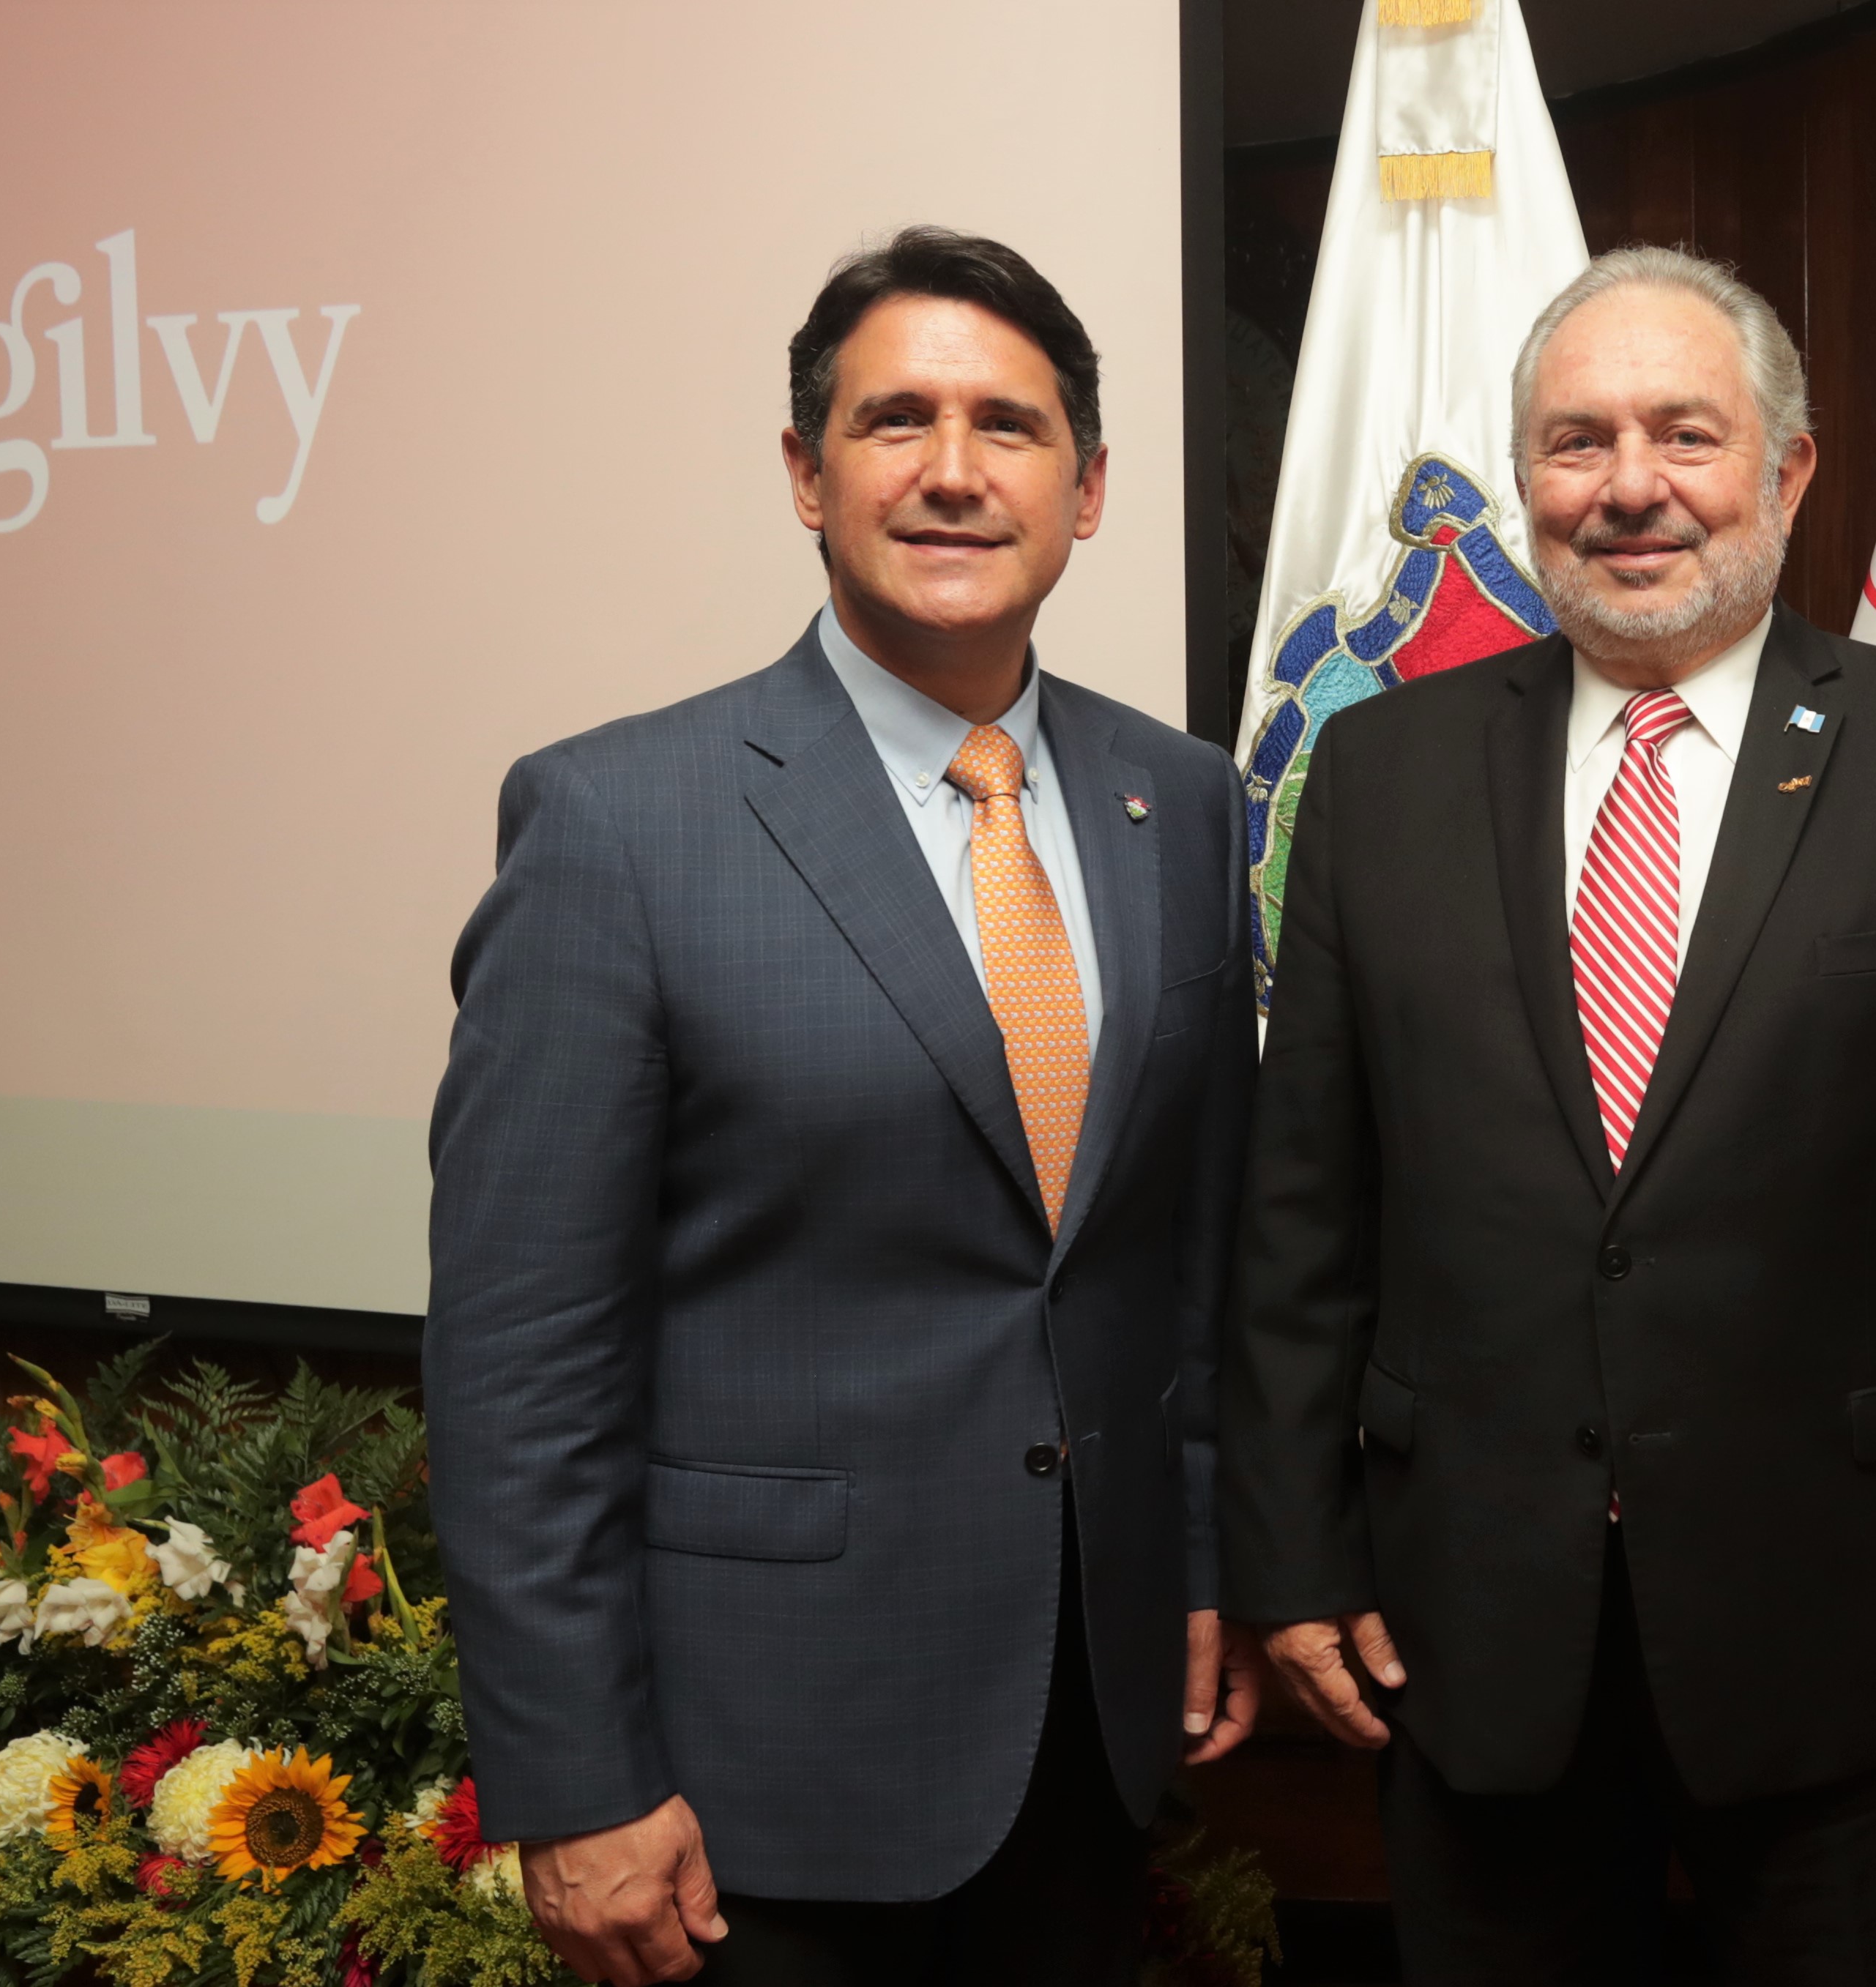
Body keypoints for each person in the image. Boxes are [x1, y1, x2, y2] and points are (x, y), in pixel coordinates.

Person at [1220, 245, 1876, 1982]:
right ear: (1523, 487)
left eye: (1682, 435)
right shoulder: (1378, 772)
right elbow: (1302, 1219)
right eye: (1575, 443)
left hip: (1856, 1654)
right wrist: (1286, 1552)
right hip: (1467, 1632)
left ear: (1787, 472)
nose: (1628, 488)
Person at [425, 225, 1262, 1987]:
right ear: (807, 474)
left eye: (1008, 427)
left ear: (1088, 487)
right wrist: (574, 1780)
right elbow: (523, 1365)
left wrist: (1191, 1558)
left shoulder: (1180, 804)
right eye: (895, 423)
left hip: (1087, 1730)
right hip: (752, 1778)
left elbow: (1177, 1264)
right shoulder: (617, 822)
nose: (952, 473)